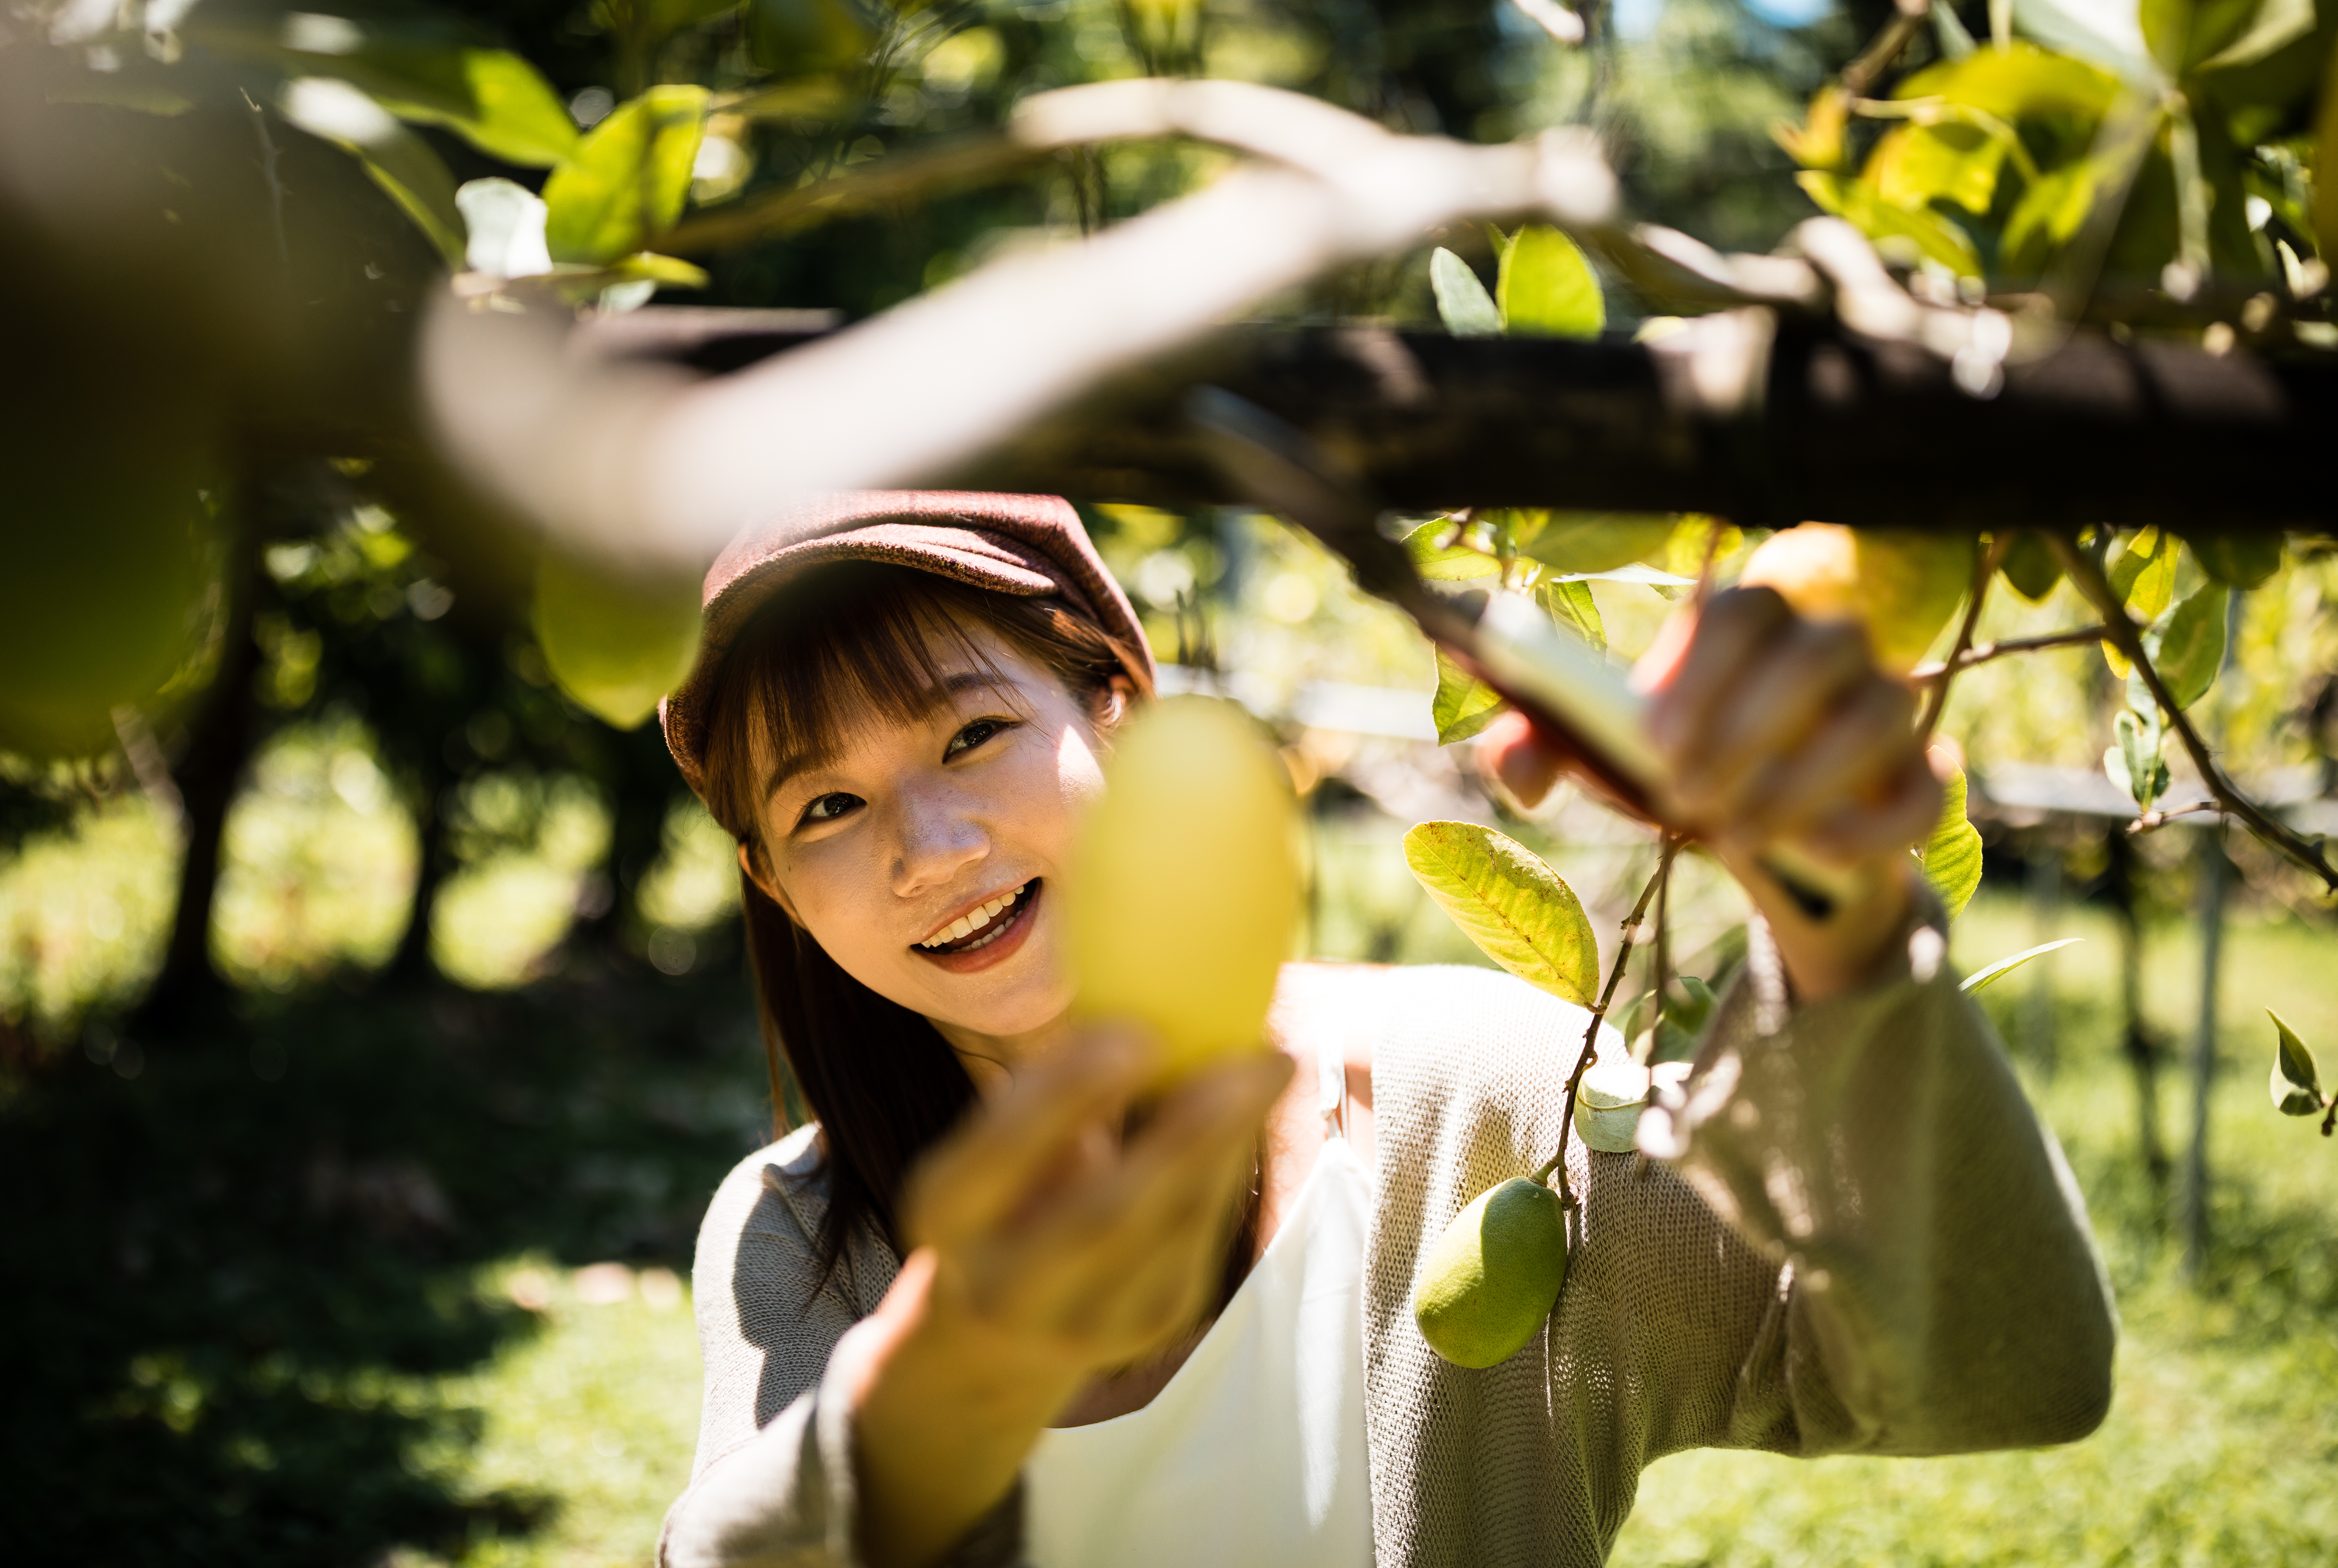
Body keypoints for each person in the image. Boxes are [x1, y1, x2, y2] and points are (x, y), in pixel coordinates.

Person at [653, 491, 2115, 1568]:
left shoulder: (1482, 1109)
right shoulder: (802, 1231)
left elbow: (2001, 1376)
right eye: (824, 805)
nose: (928, 844)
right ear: (773, 883)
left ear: (1119, 704)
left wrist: (1846, 916)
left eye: (971, 733)